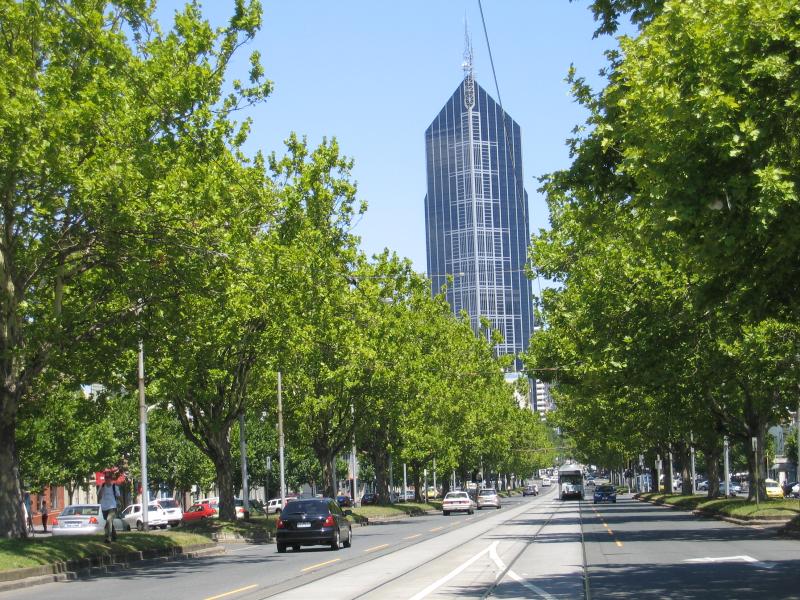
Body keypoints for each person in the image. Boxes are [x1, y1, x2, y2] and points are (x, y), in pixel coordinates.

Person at [98, 471, 121, 542]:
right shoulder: (102, 486)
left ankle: (108, 537)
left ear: (111, 479)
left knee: (109, 520)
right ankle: (114, 536)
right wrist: (102, 489)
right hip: (104, 507)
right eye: (106, 477)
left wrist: (121, 504)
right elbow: (99, 496)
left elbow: (119, 496)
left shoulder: (114, 487)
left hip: (112, 507)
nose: (107, 479)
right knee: (109, 522)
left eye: (108, 477)